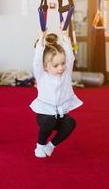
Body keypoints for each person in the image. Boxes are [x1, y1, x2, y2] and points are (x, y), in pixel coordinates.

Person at [30, 30, 83, 158]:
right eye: (56, 65)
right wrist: (41, 39)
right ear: (45, 66)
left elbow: (70, 57)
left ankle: (50, 146)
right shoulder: (42, 75)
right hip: (45, 116)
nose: (61, 68)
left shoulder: (66, 74)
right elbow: (37, 61)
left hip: (59, 115)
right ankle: (40, 144)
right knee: (49, 120)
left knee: (71, 123)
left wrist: (65, 37)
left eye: (63, 63)